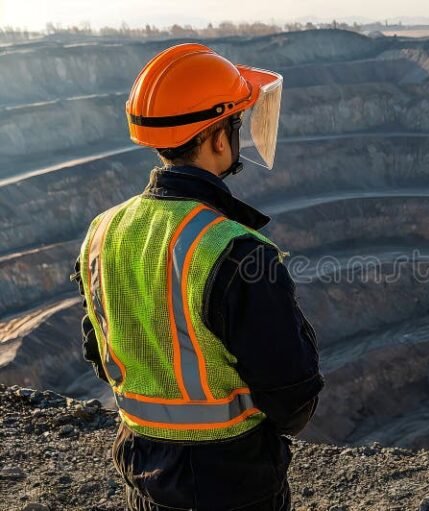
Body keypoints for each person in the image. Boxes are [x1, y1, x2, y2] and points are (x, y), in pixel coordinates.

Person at [71, 43, 323, 511]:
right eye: (235, 124)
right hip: (233, 484)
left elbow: (98, 347)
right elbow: (291, 392)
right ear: (217, 139)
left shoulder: (102, 233)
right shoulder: (235, 250)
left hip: (143, 473)